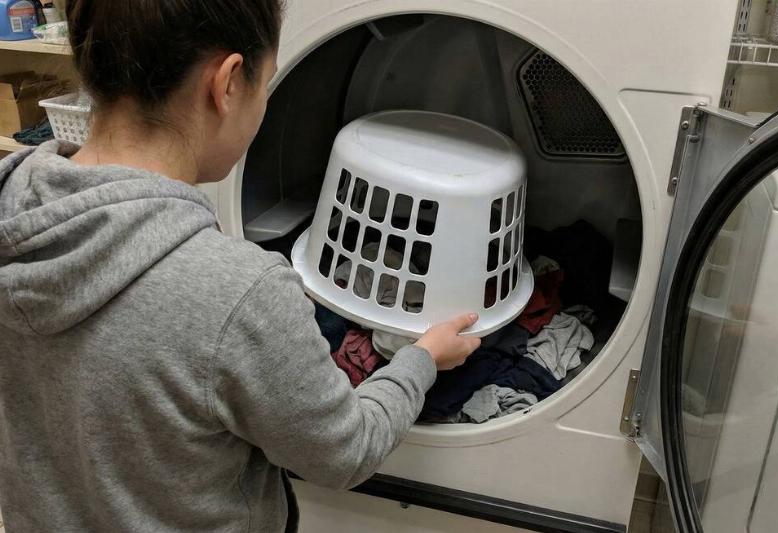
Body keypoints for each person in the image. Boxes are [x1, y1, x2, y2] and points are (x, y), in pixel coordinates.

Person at [0, 1, 481, 532]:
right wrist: (422, 360)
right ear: (227, 83)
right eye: (267, 84)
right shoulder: (237, 293)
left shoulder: (9, 204)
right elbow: (344, 453)